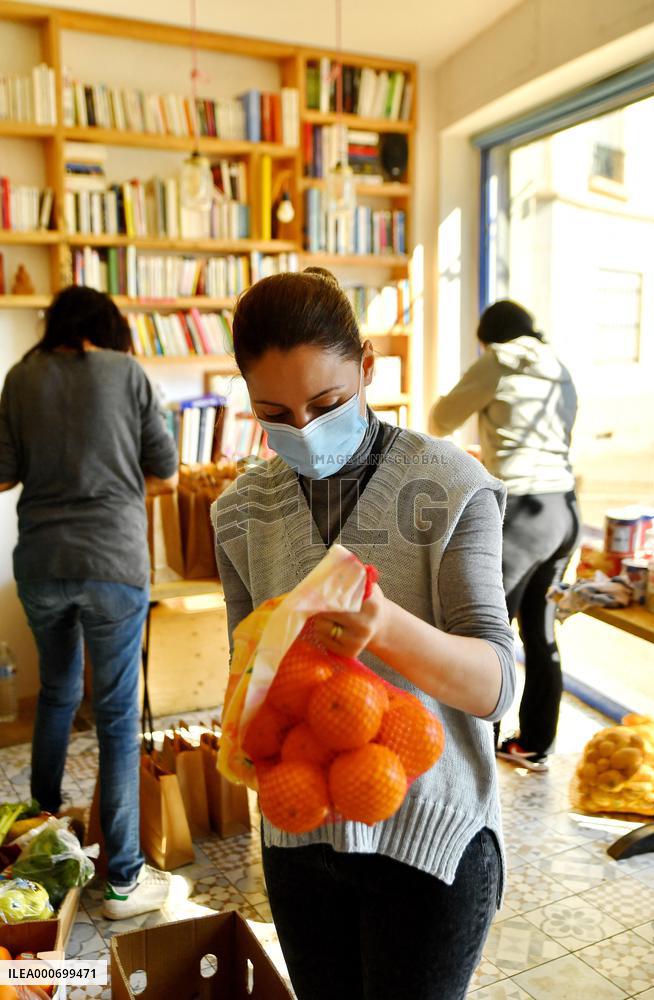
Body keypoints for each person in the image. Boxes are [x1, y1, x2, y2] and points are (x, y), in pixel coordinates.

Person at [213, 267, 516, 1000]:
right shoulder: (239, 512)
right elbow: (249, 673)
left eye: (327, 404)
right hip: (297, 829)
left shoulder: (449, 487)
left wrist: (385, 626)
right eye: (275, 413)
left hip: (430, 839)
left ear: (368, 369)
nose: (304, 429)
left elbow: (499, 686)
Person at [0, 286, 179, 919]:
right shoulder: (127, 373)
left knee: (56, 692)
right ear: (108, 328)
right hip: (113, 564)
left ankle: (42, 839)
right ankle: (123, 882)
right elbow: (168, 472)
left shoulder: (21, 377)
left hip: (42, 563)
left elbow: (3, 473)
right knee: (116, 715)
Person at [430, 299, 580, 771]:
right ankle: (534, 743)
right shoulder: (558, 367)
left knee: (486, 632)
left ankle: (477, 753)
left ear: (489, 339)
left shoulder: (498, 360)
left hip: (523, 512)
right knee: (540, 631)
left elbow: (441, 419)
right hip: (564, 509)